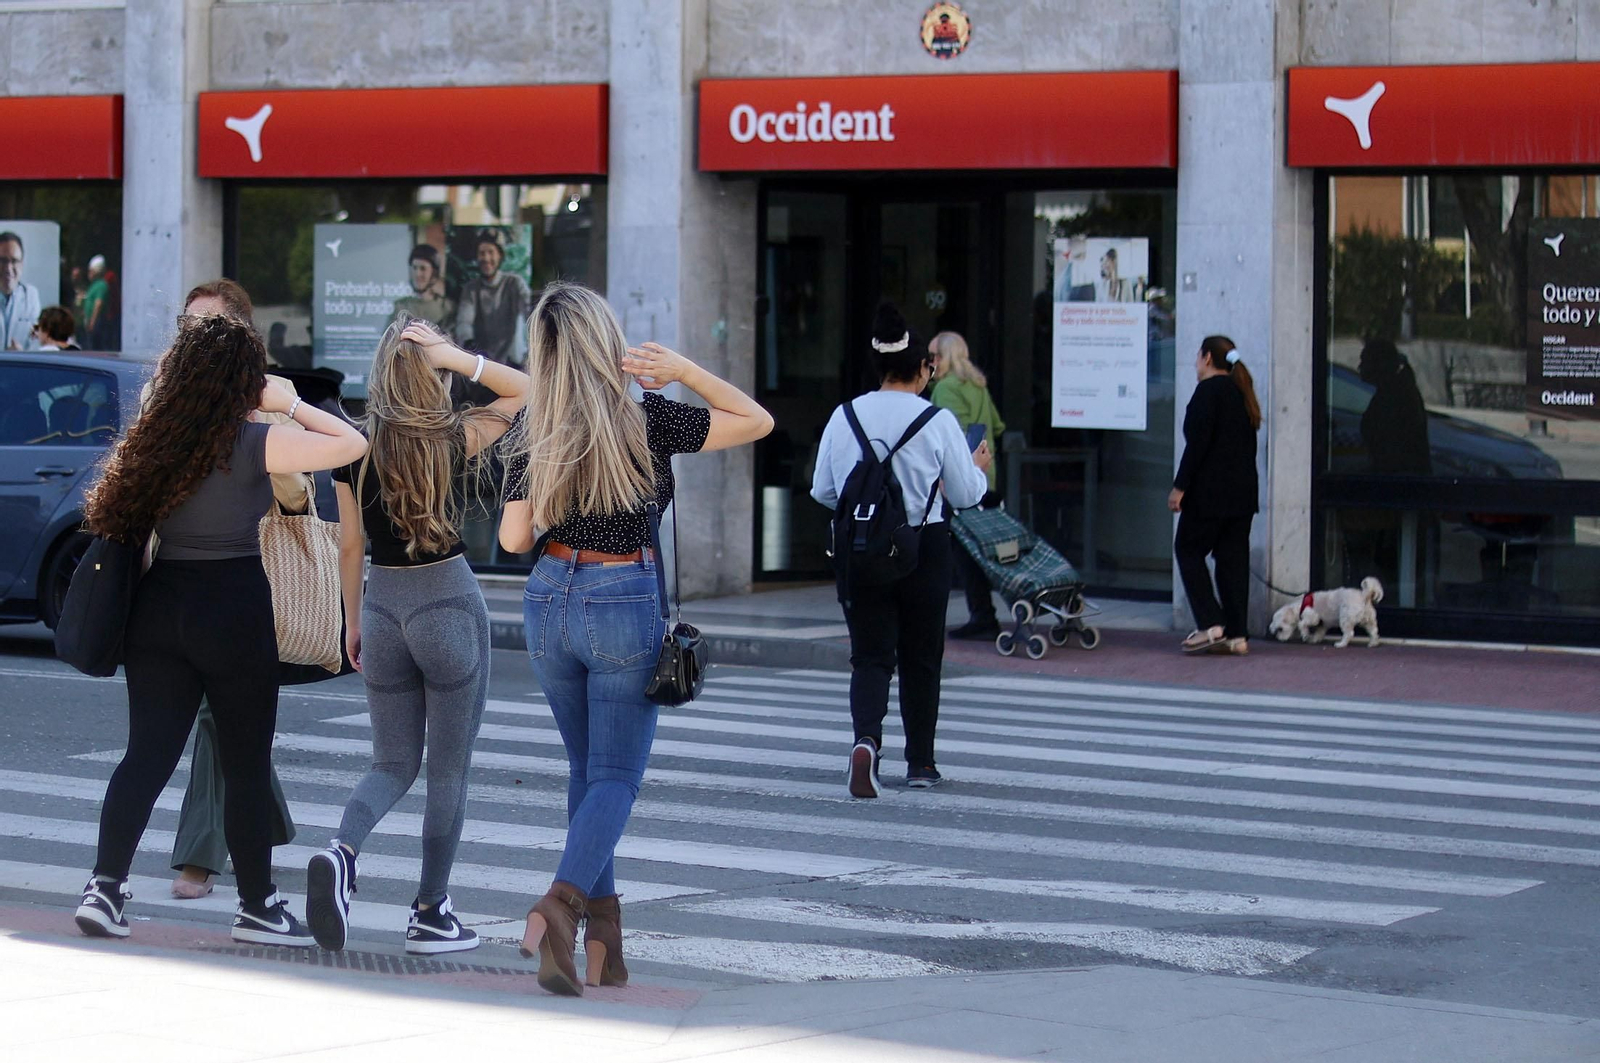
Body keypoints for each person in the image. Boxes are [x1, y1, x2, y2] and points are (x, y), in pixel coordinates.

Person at [498, 281, 771, 996]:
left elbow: (512, 536)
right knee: (615, 777)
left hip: (547, 598)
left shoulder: (535, 422)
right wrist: (682, 369)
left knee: (589, 773)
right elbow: (755, 419)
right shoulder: (646, 418)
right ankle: (558, 906)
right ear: (603, 341)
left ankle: (604, 949)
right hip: (622, 598)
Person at [73, 314, 367, 944]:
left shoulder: (156, 441)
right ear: (244, 381)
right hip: (233, 606)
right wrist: (289, 402)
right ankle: (258, 906)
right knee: (244, 762)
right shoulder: (253, 440)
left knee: (146, 755)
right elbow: (351, 446)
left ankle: (104, 887)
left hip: (160, 606)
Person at [304, 317, 527, 956]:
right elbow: (528, 392)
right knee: (447, 772)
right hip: (448, 600)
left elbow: (349, 544)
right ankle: (430, 912)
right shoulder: (452, 437)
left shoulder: (354, 447)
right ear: (430, 373)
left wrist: (352, 619)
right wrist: (457, 358)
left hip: (381, 607)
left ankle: (341, 852)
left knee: (391, 763)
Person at [165, 279, 307, 900]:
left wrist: (257, 436)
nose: (193, 336)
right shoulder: (163, 395)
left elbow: (298, 495)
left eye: (208, 326)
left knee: (218, 718)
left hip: (257, 574)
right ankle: (263, 820)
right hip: (180, 577)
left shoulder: (271, 399)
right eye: (187, 324)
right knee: (229, 720)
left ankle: (200, 854)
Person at [811, 304, 989, 796]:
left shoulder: (844, 415)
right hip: (923, 544)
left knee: (869, 656)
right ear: (922, 369)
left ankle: (866, 741)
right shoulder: (936, 419)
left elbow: (823, 491)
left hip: (861, 546)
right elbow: (968, 493)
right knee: (921, 656)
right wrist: (979, 467)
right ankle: (921, 763)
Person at [1169, 334, 1262, 656]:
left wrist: (1179, 487)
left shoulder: (1207, 392)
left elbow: (1197, 445)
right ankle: (1237, 635)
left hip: (1210, 494)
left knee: (1188, 549)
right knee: (1232, 561)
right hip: (1242, 495)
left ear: (1207, 358)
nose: (1196, 363)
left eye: (1198, 356)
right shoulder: (1241, 392)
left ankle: (1211, 623)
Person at [929, 330, 1006, 640]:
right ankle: (983, 613)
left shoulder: (946, 389)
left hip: (961, 479)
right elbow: (997, 426)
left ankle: (982, 615)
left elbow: (951, 436)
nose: (929, 362)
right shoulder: (978, 386)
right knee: (975, 550)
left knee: (962, 552)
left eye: (933, 356)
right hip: (987, 476)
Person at [454, 229, 532, 378]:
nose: (486, 258)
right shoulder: (471, 289)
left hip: (513, 362)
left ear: (500, 255)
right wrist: (470, 347)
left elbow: (529, 309)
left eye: (491, 252)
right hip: (482, 365)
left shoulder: (514, 283)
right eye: (481, 253)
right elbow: (464, 321)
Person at [1358, 338, 1431, 476]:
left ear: (1378, 365)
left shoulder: (1394, 398)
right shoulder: (1395, 391)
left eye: (1364, 361)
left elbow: (1392, 453)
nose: (1360, 367)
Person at [391, 245, 455, 330]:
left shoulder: (447, 307)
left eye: (423, 269)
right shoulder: (401, 307)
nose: (418, 274)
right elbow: (389, 340)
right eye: (414, 268)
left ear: (434, 273)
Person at [0, 231, 42, 351]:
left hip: (20, 367)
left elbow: (36, 340)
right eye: (2, 261)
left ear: (22, 264)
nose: (8, 268)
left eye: (14, 261)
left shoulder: (31, 296)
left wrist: (22, 353)